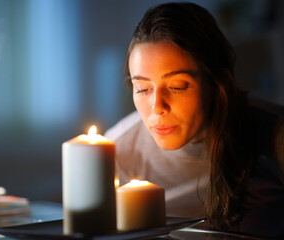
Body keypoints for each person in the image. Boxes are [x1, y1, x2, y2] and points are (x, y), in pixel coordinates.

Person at [105, 2, 284, 238]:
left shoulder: (276, 135)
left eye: (177, 86)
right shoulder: (115, 151)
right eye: (142, 89)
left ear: (215, 82)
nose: (157, 107)